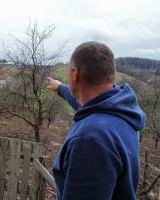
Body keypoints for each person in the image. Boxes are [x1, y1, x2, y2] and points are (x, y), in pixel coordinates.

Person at [47, 41, 146, 200]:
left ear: (75, 74)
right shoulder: (121, 111)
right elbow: (80, 103)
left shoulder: (89, 138)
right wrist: (59, 87)